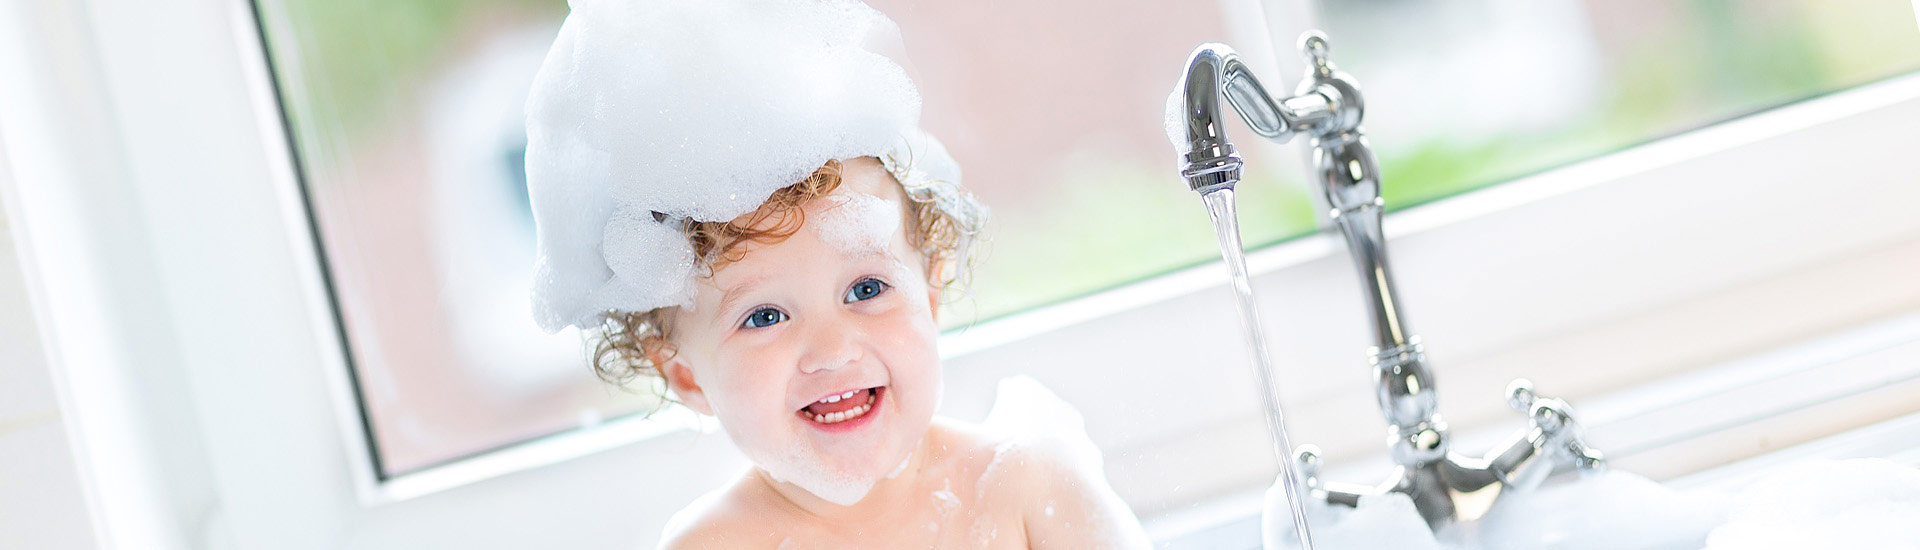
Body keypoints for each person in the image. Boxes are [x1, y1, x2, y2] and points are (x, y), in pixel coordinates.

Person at [522, 0, 1151, 547]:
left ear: (928, 297)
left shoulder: (1024, 489)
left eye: (867, 289)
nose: (831, 349)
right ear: (686, 375)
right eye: (764, 316)